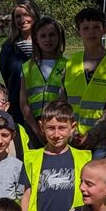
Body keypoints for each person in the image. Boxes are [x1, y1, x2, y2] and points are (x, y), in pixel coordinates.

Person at [19, 101, 91, 211]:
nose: (56, 134)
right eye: (51, 128)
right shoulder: (32, 158)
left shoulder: (84, 158)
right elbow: (26, 195)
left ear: (72, 128)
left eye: (62, 128)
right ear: (41, 127)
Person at [62, 8, 106, 157]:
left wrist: (92, 135)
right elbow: (62, 102)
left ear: (105, 30)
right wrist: (71, 132)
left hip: (100, 142)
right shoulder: (71, 63)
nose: (91, 32)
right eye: (86, 28)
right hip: (72, 139)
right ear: (78, 32)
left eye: (96, 27)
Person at [19, 15, 67, 146]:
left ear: (59, 37)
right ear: (36, 39)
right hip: (33, 124)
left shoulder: (68, 65)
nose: (48, 39)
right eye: (43, 36)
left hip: (59, 124)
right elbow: (23, 103)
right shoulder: (27, 67)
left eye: (52, 35)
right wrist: (37, 130)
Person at [0, 0, 39, 124]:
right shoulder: (8, 47)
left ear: (35, 15)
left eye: (26, 14)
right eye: (18, 16)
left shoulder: (46, 43)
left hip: (42, 107)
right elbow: (7, 77)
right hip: (17, 109)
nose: (22, 20)